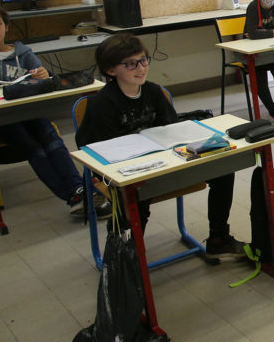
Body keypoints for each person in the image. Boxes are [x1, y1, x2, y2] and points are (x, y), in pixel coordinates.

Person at [75, 33, 246, 261]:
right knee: (137, 196)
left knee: (223, 170)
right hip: (125, 172)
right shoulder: (102, 103)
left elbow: (171, 131)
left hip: (161, 163)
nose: (141, 68)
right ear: (111, 70)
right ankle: (127, 257)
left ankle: (218, 238)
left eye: (144, 60)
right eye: (131, 64)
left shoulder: (154, 92)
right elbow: (105, 151)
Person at [0, 5, 110, 218]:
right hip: (1, 120)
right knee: (33, 147)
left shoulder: (22, 53)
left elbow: (44, 80)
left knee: (53, 141)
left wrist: (43, 74)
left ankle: (80, 190)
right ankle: (75, 196)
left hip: (30, 113)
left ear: (7, 27)